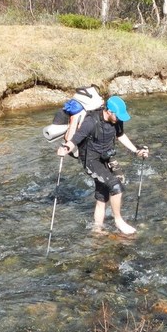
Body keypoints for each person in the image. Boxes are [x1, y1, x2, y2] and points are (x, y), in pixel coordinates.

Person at [57, 95, 150, 235]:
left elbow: (121, 135)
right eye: (118, 116)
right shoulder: (91, 121)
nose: (119, 119)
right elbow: (76, 138)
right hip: (91, 161)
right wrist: (65, 148)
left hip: (106, 157)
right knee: (116, 186)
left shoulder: (116, 120)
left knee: (103, 196)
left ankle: (97, 229)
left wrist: (136, 150)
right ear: (109, 111)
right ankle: (118, 221)